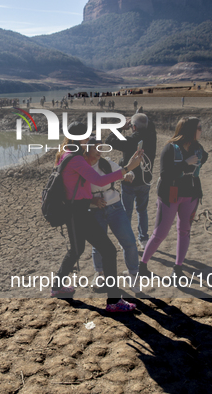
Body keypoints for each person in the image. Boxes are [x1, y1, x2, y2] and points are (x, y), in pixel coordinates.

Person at [53, 123, 144, 312]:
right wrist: (127, 168)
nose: (89, 141)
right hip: (79, 213)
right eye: (87, 138)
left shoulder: (64, 154)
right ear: (79, 138)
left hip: (72, 211)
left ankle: (57, 287)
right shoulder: (76, 159)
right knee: (109, 252)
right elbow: (100, 180)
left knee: (76, 250)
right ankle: (113, 302)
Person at [139, 117, 209, 280]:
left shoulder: (198, 148)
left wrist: (192, 164)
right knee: (160, 233)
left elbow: (203, 159)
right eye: (199, 127)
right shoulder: (170, 148)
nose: (201, 130)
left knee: (184, 231)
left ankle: (178, 267)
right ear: (190, 130)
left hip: (191, 195)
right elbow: (164, 174)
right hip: (170, 195)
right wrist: (185, 163)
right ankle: (143, 265)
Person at [84, 138, 141, 294]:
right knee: (98, 245)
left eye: (100, 147)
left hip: (115, 206)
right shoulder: (82, 167)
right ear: (87, 149)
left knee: (129, 241)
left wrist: (128, 175)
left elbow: (123, 172)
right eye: (96, 148)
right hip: (94, 210)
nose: (99, 150)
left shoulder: (106, 163)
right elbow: (77, 192)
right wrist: (93, 200)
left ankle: (133, 273)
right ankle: (100, 273)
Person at [105, 113, 157, 249]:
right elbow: (148, 124)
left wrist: (121, 128)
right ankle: (144, 239)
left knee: (126, 212)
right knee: (142, 210)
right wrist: (138, 118)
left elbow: (109, 141)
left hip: (129, 180)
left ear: (133, 127)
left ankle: (126, 240)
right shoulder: (152, 136)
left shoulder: (130, 141)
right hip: (145, 179)